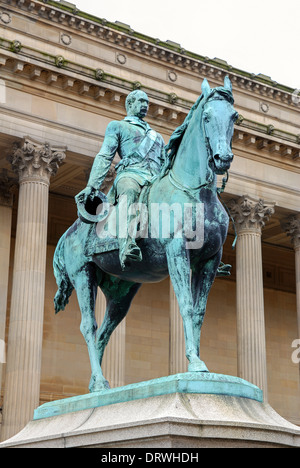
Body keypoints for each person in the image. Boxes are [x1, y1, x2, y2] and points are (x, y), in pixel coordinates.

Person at [76, 90, 167, 269]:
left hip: (154, 180)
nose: (145, 105)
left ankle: (197, 253)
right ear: (130, 104)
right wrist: (92, 185)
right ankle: (126, 244)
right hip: (131, 174)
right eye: (141, 101)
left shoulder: (158, 137)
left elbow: (164, 164)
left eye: (147, 102)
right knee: (130, 189)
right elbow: (104, 156)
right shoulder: (117, 126)